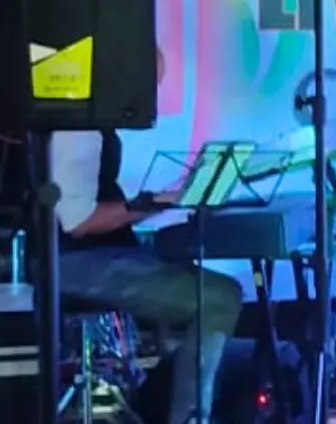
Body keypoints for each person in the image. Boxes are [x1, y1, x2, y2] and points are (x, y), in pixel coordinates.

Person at [52, 47, 243, 424]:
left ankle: (165, 400)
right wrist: (157, 202)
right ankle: (189, 417)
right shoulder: (78, 128)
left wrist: (164, 202)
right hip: (73, 262)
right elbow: (77, 221)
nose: (152, 97)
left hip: (99, 254)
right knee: (219, 297)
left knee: (191, 281)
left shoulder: (94, 124)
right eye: (149, 85)